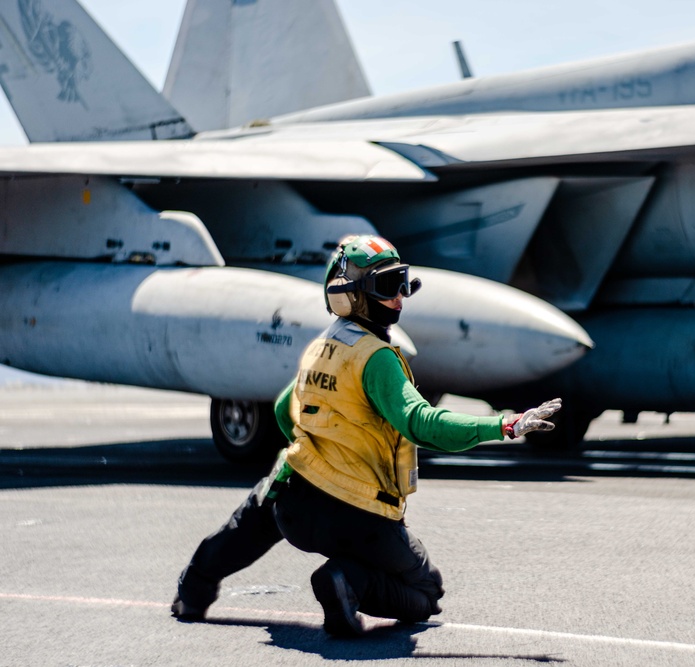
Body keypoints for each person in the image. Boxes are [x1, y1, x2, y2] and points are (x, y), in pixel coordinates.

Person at [171, 234, 561, 636]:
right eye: (387, 287)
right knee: (425, 593)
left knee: (251, 520)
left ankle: (192, 592)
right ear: (349, 296)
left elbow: (281, 410)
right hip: (358, 517)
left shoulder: (322, 347)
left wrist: (315, 454)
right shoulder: (377, 359)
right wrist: (504, 425)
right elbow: (421, 423)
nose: (399, 299)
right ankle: (345, 582)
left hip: (293, 504)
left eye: (401, 283)